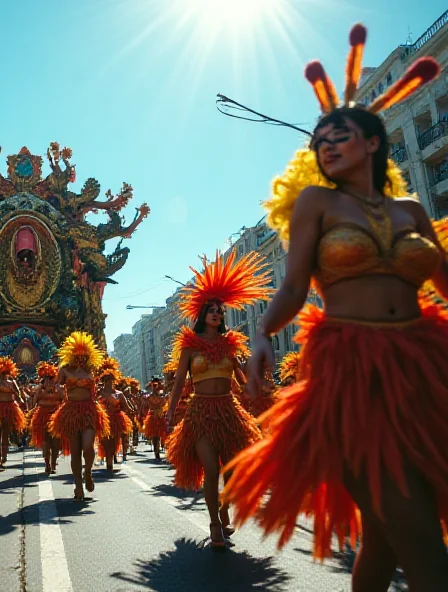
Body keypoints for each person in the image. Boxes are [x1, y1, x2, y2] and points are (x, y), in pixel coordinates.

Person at [222, 24, 448, 590]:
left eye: (338, 133)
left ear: (372, 142)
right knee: (420, 542)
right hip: (354, 378)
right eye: (318, 138)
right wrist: (263, 337)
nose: (324, 142)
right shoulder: (317, 205)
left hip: (425, 373)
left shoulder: (412, 212)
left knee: (382, 536)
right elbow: (294, 288)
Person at [165, 251, 270, 549]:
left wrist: (256, 385)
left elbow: (240, 377)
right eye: (211, 309)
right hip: (199, 413)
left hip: (228, 411)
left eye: (220, 310)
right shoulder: (189, 346)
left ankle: (224, 508)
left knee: (234, 472)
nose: (216, 313)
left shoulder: (230, 344)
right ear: (202, 314)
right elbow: (178, 383)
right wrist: (171, 412)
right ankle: (214, 525)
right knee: (211, 470)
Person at [49, 331, 110, 501]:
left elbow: (95, 389)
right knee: (75, 452)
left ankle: (88, 472)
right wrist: (60, 390)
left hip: (89, 410)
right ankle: (78, 486)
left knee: (88, 447)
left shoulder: (91, 370)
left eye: (85, 355)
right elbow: (58, 385)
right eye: (78, 355)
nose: (82, 358)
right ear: (72, 355)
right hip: (71, 411)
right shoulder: (64, 370)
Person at [0, 355, 26, 469]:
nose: (5, 374)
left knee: (5, 433)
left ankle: (4, 456)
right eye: (3, 372)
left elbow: (18, 395)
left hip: (9, 409)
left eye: (7, 372)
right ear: (0, 371)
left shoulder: (12, 382)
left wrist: (22, 402)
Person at [97, 358, 134, 470]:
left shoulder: (119, 394)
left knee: (114, 442)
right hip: (104, 421)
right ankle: (108, 460)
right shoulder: (99, 393)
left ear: (114, 381)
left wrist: (130, 411)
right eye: (107, 379)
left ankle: (110, 461)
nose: (109, 381)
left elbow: (126, 407)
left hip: (116, 421)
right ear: (103, 380)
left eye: (111, 379)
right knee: (105, 443)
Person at [30, 361, 64, 474]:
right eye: (46, 377)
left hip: (55, 416)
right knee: (45, 441)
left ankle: (53, 463)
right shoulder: (40, 389)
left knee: (56, 442)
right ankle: (47, 464)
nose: (49, 380)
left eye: (51, 377)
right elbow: (34, 403)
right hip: (42, 416)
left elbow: (63, 400)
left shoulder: (59, 388)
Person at [142, 377, 168, 460]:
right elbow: (145, 406)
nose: (155, 387)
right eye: (153, 385)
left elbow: (165, 404)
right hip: (152, 417)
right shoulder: (148, 396)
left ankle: (159, 448)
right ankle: (156, 451)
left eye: (157, 385)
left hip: (160, 416)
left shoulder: (161, 395)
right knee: (154, 435)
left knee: (160, 434)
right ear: (151, 386)